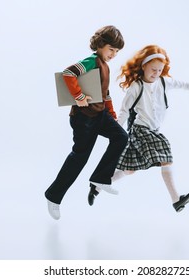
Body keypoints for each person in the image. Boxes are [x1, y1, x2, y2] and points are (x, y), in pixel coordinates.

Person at [91, 44, 189, 212]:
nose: (156, 73)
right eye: (153, 69)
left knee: (129, 170)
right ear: (144, 66)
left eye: (160, 70)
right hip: (140, 131)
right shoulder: (136, 87)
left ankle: (97, 186)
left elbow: (183, 84)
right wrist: (115, 132)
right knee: (165, 151)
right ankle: (176, 199)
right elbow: (124, 111)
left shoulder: (163, 82)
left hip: (152, 130)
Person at [45, 25, 128, 220]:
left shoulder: (105, 66)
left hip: (100, 115)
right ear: (100, 45)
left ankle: (100, 178)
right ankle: (53, 196)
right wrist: (78, 95)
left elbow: (105, 93)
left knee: (121, 137)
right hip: (84, 118)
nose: (113, 54)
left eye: (117, 52)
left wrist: (112, 113)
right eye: (111, 49)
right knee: (80, 158)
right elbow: (68, 73)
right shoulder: (92, 61)